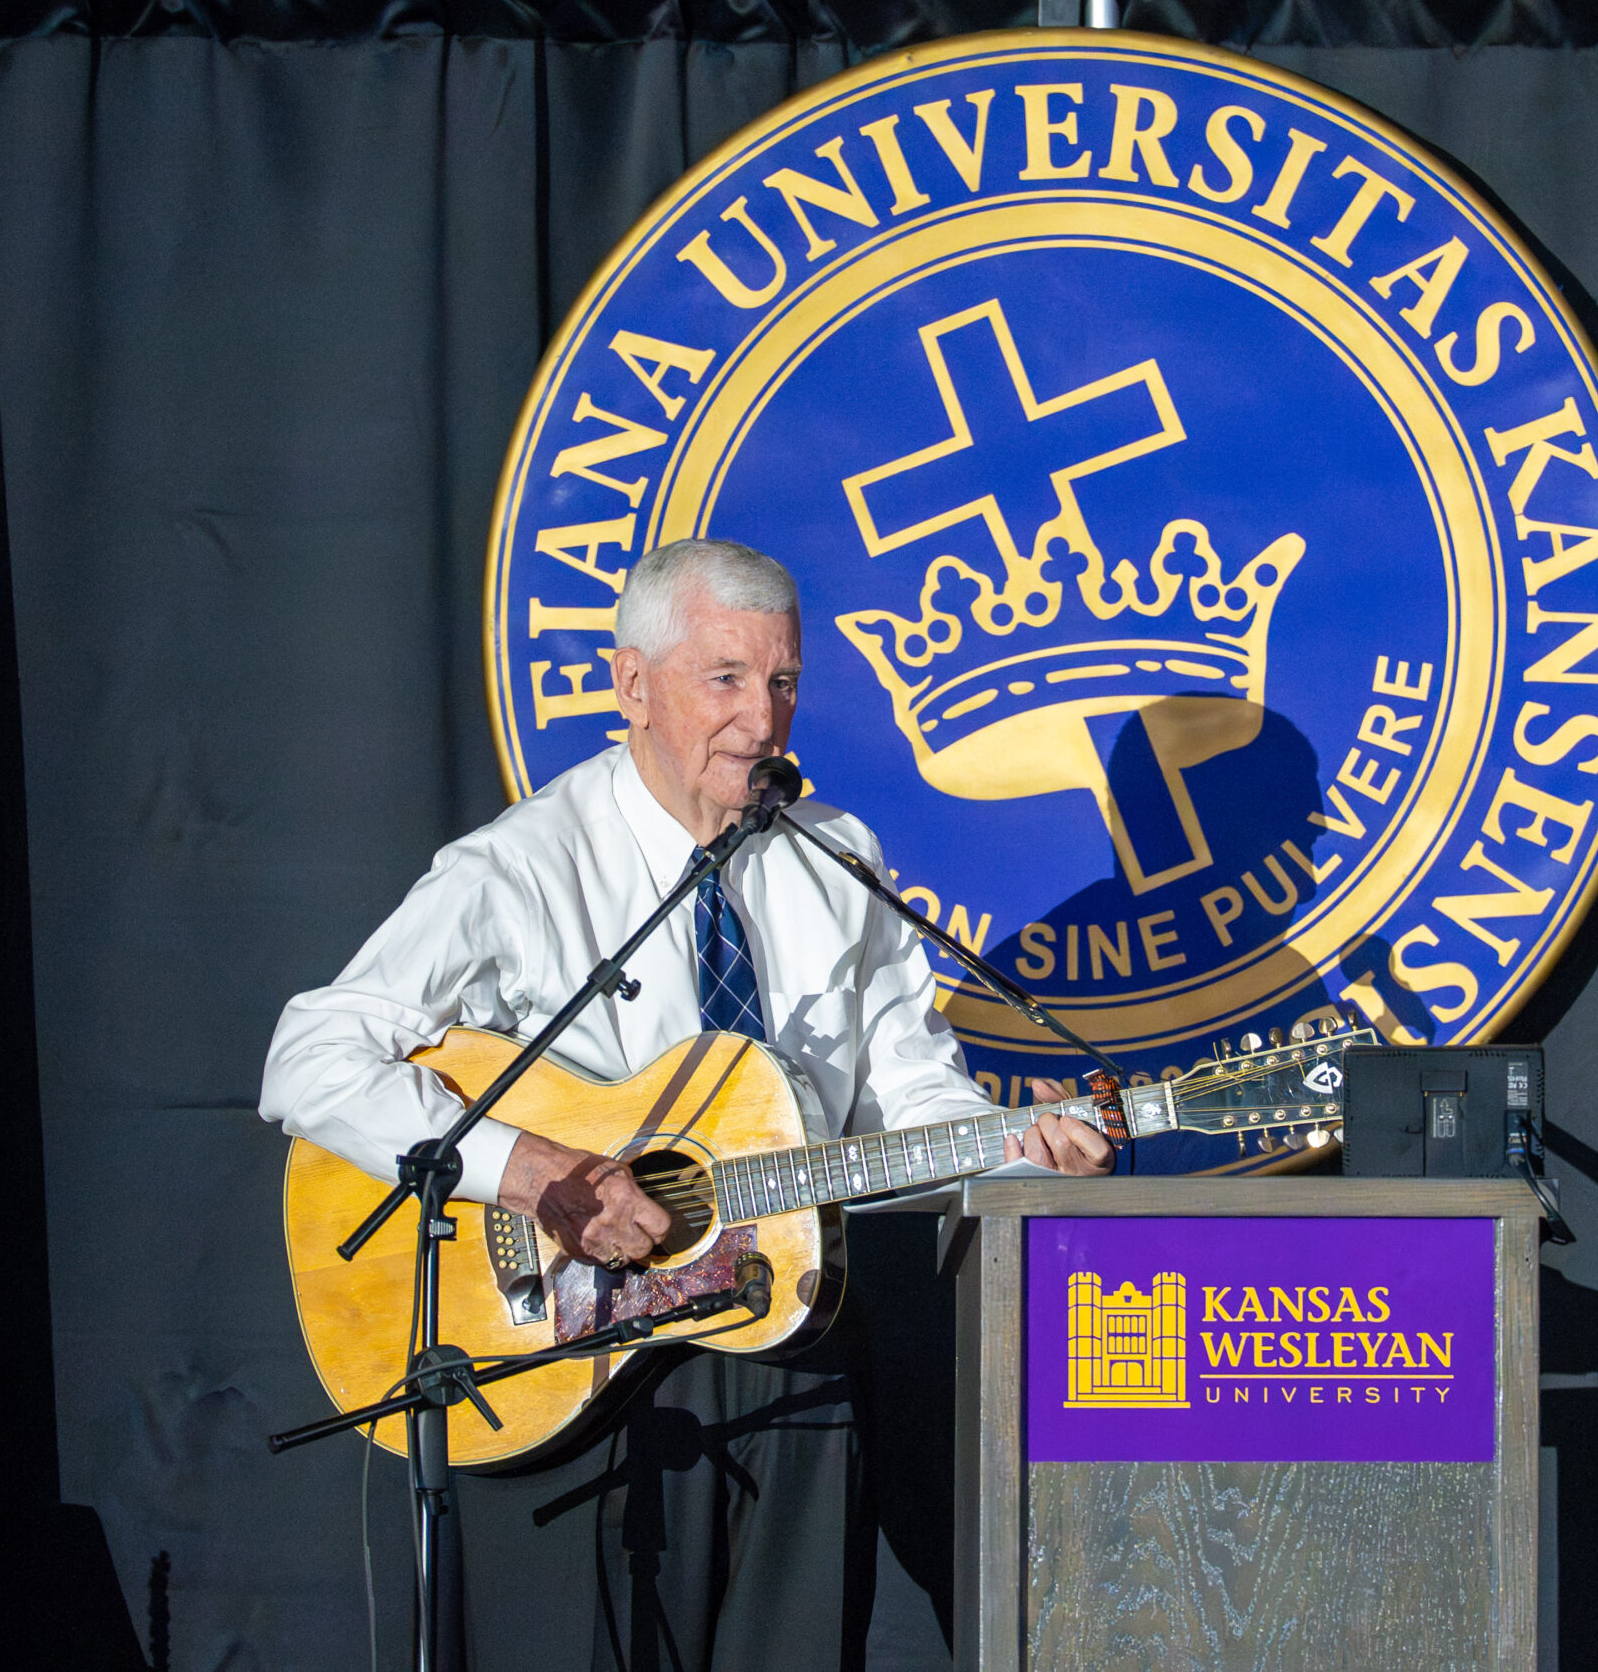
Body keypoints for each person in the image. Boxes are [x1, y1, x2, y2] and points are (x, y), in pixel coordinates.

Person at [260, 537, 1111, 1667]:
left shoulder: (838, 858)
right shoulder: (520, 868)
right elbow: (308, 1055)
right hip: (579, 1361)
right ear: (631, 686)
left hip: (796, 1337)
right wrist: (534, 1172)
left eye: (784, 681)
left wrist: (1022, 1159)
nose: (762, 721)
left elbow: (907, 1097)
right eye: (724, 679)